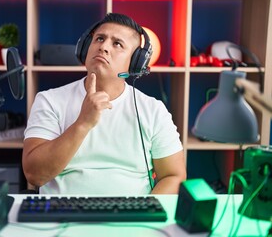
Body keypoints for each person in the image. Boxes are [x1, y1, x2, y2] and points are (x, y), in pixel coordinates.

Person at [22, 13, 186, 195]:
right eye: (99, 39)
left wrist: (143, 212)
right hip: (64, 214)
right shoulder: (49, 100)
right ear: (85, 49)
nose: (103, 47)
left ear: (135, 63)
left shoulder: (153, 110)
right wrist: (83, 123)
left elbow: (174, 176)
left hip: (131, 217)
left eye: (117, 44)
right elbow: (34, 174)